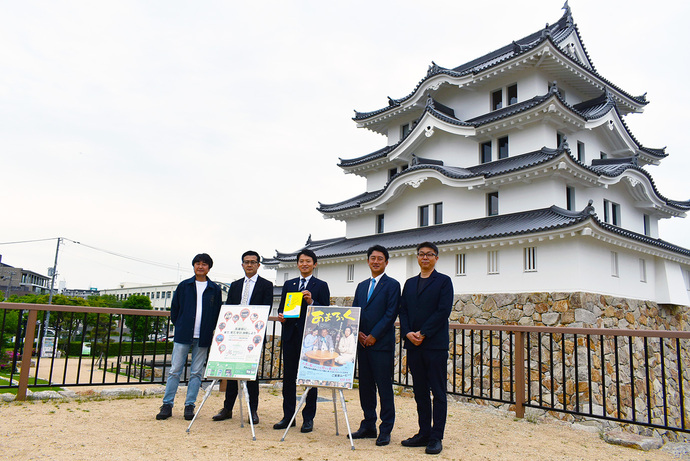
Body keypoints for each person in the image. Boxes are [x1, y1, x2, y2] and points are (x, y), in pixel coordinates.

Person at [399, 242, 453, 455]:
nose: (425, 258)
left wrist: (423, 333)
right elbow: (402, 311)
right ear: (417, 257)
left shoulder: (444, 282)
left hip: (434, 345)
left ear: (436, 258)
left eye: (429, 255)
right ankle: (423, 432)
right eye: (421, 254)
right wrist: (407, 333)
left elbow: (443, 311)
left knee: (438, 393)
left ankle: (436, 437)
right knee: (420, 391)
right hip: (413, 345)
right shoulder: (410, 283)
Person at [156, 253, 222, 421]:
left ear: (209, 267)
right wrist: (180, 325)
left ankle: (189, 405)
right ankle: (167, 405)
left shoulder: (214, 289)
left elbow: (217, 313)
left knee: (196, 373)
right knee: (174, 371)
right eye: (198, 263)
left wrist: (210, 329)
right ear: (194, 266)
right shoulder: (184, 286)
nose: (201, 266)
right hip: (183, 333)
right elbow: (175, 309)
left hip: (204, 335)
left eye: (204, 264)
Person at [212, 250, 273, 425]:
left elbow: (266, 309)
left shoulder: (266, 285)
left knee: (250, 373)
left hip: (253, 335)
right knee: (231, 372)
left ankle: (252, 410)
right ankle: (227, 408)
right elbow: (229, 308)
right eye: (246, 262)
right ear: (242, 264)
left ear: (258, 265)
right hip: (234, 335)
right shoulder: (236, 285)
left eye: (253, 262)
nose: (249, 265)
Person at [274, 249, 330, 433]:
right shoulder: (289, 284)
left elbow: (326, 313)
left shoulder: (321, 285)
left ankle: (308, 418)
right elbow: (282, 308)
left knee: (310, 378)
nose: (304, 264)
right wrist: (281, 316)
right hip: (291, 336)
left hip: (311, 339)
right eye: (301, 261)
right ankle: (288, 416)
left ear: (315, 264)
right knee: (288, 378)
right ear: (297, 264)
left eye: (308, 261)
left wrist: (312, 302)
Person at [350, 244, 400, 446]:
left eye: (380, 258)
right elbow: (355, 310)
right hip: (363, 344)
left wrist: (374, 335)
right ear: (368, 260)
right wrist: (359, 332)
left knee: (384, 387)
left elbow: (391, 313)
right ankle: (368, 424)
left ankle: (385, 428)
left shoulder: (392, 285)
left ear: (386, 262)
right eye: (373, 258)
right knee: (365, 387)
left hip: (381, 344)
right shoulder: (361, 285)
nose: (376, 261)